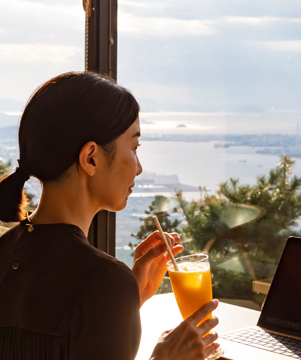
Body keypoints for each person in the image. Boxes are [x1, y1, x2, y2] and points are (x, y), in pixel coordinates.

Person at [0, 72, 220, 360]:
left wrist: (128, 301)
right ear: (91, 158)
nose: (138, 168)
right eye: (134, 147)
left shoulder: (6, 248)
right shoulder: (105, 281)